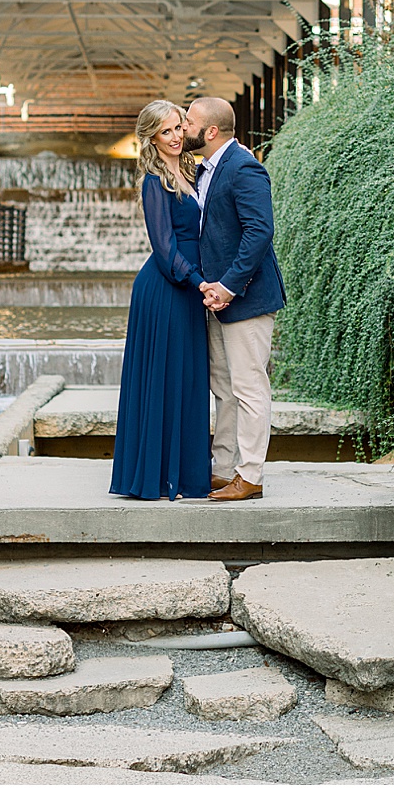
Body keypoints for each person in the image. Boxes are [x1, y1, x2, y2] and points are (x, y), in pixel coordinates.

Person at [108, 100, 212, 501]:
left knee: (187, 381)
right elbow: (165, 248)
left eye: (178, 128)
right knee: (166, 380)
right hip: (169, 288)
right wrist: (201, 283)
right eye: (165, 131)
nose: (174, 137)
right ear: (152, 137)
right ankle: (157, 477)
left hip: (188, 289)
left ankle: (184, 476)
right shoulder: (155, 180)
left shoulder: (189, 170)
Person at [184, 96, 285, 502]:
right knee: (224, 387)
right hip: (217, 300)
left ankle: (251, 476)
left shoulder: (244, 167)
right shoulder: (206, 169)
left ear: (210, 132)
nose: (182, 126)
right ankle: (225, 470)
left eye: (188, 121)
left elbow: (259, 232)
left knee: (249, 387)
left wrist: (227, 286)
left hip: (246, 297)